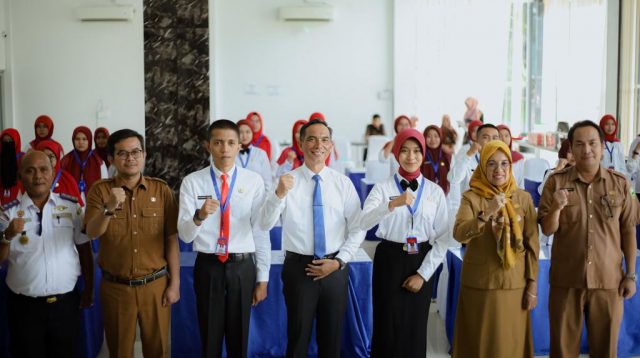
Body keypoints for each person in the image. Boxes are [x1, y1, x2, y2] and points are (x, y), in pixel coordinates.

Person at [260, 119, 365, 357]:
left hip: (334, 268)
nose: (319, 144)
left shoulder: (342, 183)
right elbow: (264, 224)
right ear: (300, 143)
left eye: (324, 139)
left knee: (331, 339)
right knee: (298, 338)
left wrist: (339, 262)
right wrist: (278, 195)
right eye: (312, 138)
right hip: (299, 269)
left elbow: (358, 228)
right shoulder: (287, 181)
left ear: (331, 145)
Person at [538, 120, 636, 357]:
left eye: (593, 143)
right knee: (562, 350)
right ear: (571, 148)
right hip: (567, 281)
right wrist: (557, 208)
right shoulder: (556, 181)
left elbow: (628, 231)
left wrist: (630, 274)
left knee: (606, 349)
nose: (587, 150)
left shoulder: (620, 184)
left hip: (608, 282)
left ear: (602, 146)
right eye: (579, 144)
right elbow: (548, 230)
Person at [178, 119, 270, 357]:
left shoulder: (253, 181)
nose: (225, 149)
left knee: (239, 337)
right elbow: (185, 236)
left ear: (240, 145)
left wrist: (263, 277)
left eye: (231, 143)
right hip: (208, 266)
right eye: (218, 143)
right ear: (208, 145)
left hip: (242, 266)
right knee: (210, 336)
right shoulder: (192, 182)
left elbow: (260, 231)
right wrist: (199, 216)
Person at [84, 129, 180, 358]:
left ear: (144, 154)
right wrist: (109, 208)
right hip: (116, 288)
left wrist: (174, 283)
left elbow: (171, 239)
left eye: (136, 152)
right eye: (123, 153)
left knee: (158, 350)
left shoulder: (161, 189)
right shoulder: (100, 190)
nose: (131, 158)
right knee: (119, 352)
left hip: (155, 286)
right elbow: (92, 233)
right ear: (112, 158)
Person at [360, 128, 449, 357]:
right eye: (405, 151)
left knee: (415, 326)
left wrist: (423, 274)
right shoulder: (382, 189)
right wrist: (391, 204)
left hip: (421, 258)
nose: (411, 157)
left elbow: (443, 239)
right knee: (386, 325)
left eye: (417, 151)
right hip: (389, 258)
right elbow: (363, 222)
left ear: (423, 153)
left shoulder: (435, 192)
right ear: (396, 153)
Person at [0, 151, 94, 357]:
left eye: (43, 169)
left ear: (53, 174)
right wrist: (7, 235)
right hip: (24, 308)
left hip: (65, 305)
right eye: (30, 171)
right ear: (20, 176)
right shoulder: (7, 212)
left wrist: (89, 287)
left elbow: (84, 249)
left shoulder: (72, 207)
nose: (38, 176)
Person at [451, 140, 538, 357]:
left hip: (514, 283)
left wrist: (532, 285)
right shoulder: (471, 197)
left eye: (504, 164)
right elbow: (459, 233)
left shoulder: (523, 198)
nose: (498, 170)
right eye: (491, 164)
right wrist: (486, 214)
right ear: (482, 167)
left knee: (510, 345)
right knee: (479, 344)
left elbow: (532, 244)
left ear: (510, 167)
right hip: (480, 284)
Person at [448, 123, 500, 214]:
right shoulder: (468, 157)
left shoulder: (503, 161)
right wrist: (469, 154)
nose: (491, 141)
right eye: (486, 137)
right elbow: (453, 178)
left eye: (495, 138)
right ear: (476, 138)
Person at [60, 126, 108, 201]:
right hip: (70, 202)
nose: (81, 142)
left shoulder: (99, 162)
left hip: (93, 203)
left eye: (84, 139)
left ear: (89, 140)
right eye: (77, 139)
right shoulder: (65, 161)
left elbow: (104, 186)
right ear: (73, 140)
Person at [35, 139, 84, 206]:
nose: (47, 160)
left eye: (51, 156)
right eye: (43, 156)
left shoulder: (67, 180)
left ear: (57, 158)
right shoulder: (32, 178)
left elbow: (78, 209)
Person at [236, 119, 273, 191]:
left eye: (247, 132)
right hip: (236, 196)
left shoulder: (261, 153)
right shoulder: (231, 153)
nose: (244, 136)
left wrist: (266, 200)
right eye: (241, 132)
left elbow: (268, 180)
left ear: (252, 133)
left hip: (257, 195)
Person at [421, 125, 451, 195]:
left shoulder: (446, 155)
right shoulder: (421, 155)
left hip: (444, 196)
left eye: (436, 136)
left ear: (440, 138)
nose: (433, 140)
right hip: (425, 196)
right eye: (429, 136)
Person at [0, 129, 24, 205]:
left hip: (20, 196)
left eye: (10, 141)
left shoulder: (23, 158)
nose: (7, 143)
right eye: (4, 141)